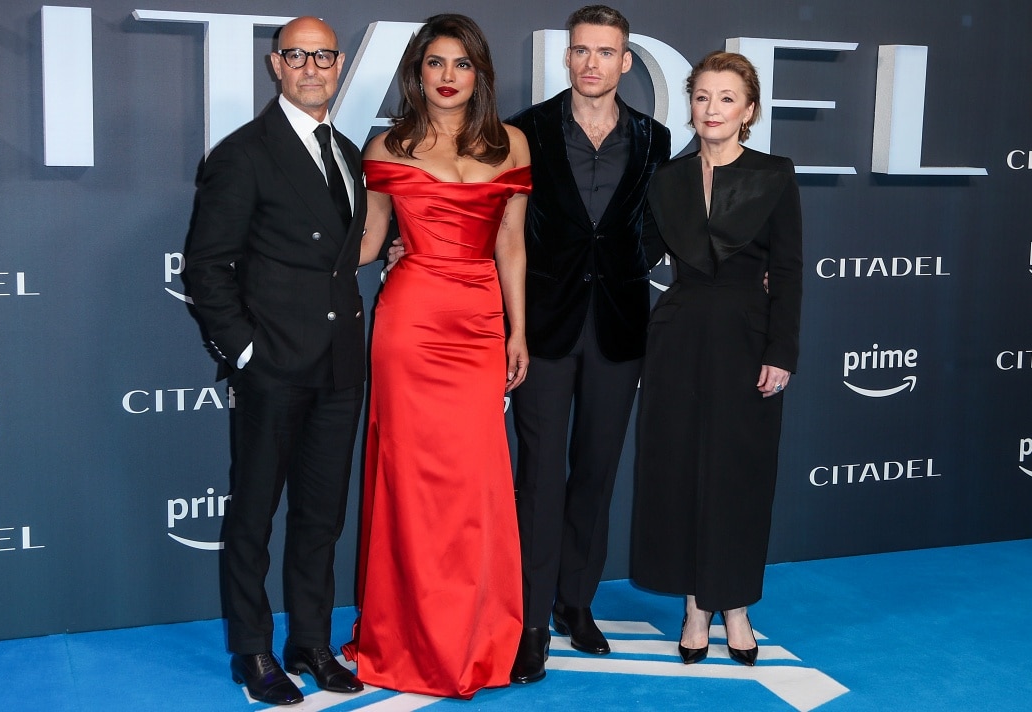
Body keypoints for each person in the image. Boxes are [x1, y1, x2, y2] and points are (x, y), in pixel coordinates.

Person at [344, 14, 531, 699]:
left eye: (461, 64)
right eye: (435, 63)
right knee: (409, 486)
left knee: (475, 486)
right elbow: (368, 244)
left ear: (479, 74)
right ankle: (406, 637)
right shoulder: (386, 146)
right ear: (416, 72)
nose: (448, 77)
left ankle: (477, 636)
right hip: (411, 323)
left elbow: (511, 244)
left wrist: (518, 331)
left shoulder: (510, 144)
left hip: (480, 321)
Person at [183, 16, 368, 706]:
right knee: (255, 514)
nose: (312, 67)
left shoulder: (346, 150)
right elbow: (206, 267)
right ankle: (253, 650)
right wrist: (247, 351)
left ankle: (311, 643)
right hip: (275, 366)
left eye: (323, 56)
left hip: (340, 366)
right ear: (276, 65)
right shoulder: (244, 152)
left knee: (322, 517)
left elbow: (340, 256)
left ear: (340, 63)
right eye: (298, 56)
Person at [504, 5, 670, 683]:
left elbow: (657, 226)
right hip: (543, 328)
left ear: (626, 61)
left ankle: (579, 603)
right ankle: (532, 620)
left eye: (606, 52)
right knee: (538, 479)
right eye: (581, 51)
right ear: (567, 58)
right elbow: (502, 227)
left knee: (596, 474)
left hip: (619, 329)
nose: (592, 63)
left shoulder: (655, 138)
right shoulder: (526, 130)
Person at [630, 50, 802, 667]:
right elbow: (637, 253)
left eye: (726, 98)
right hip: (677, 337)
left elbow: (786, 271)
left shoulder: (775, 174)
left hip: (746, 342)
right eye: (702, 96)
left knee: (738, 475)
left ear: (749, 110)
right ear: (690, 104)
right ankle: (695, 607)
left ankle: (736, 606)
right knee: (680, 470)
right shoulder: (667, 179)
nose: (712, 109)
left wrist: (781, 350)